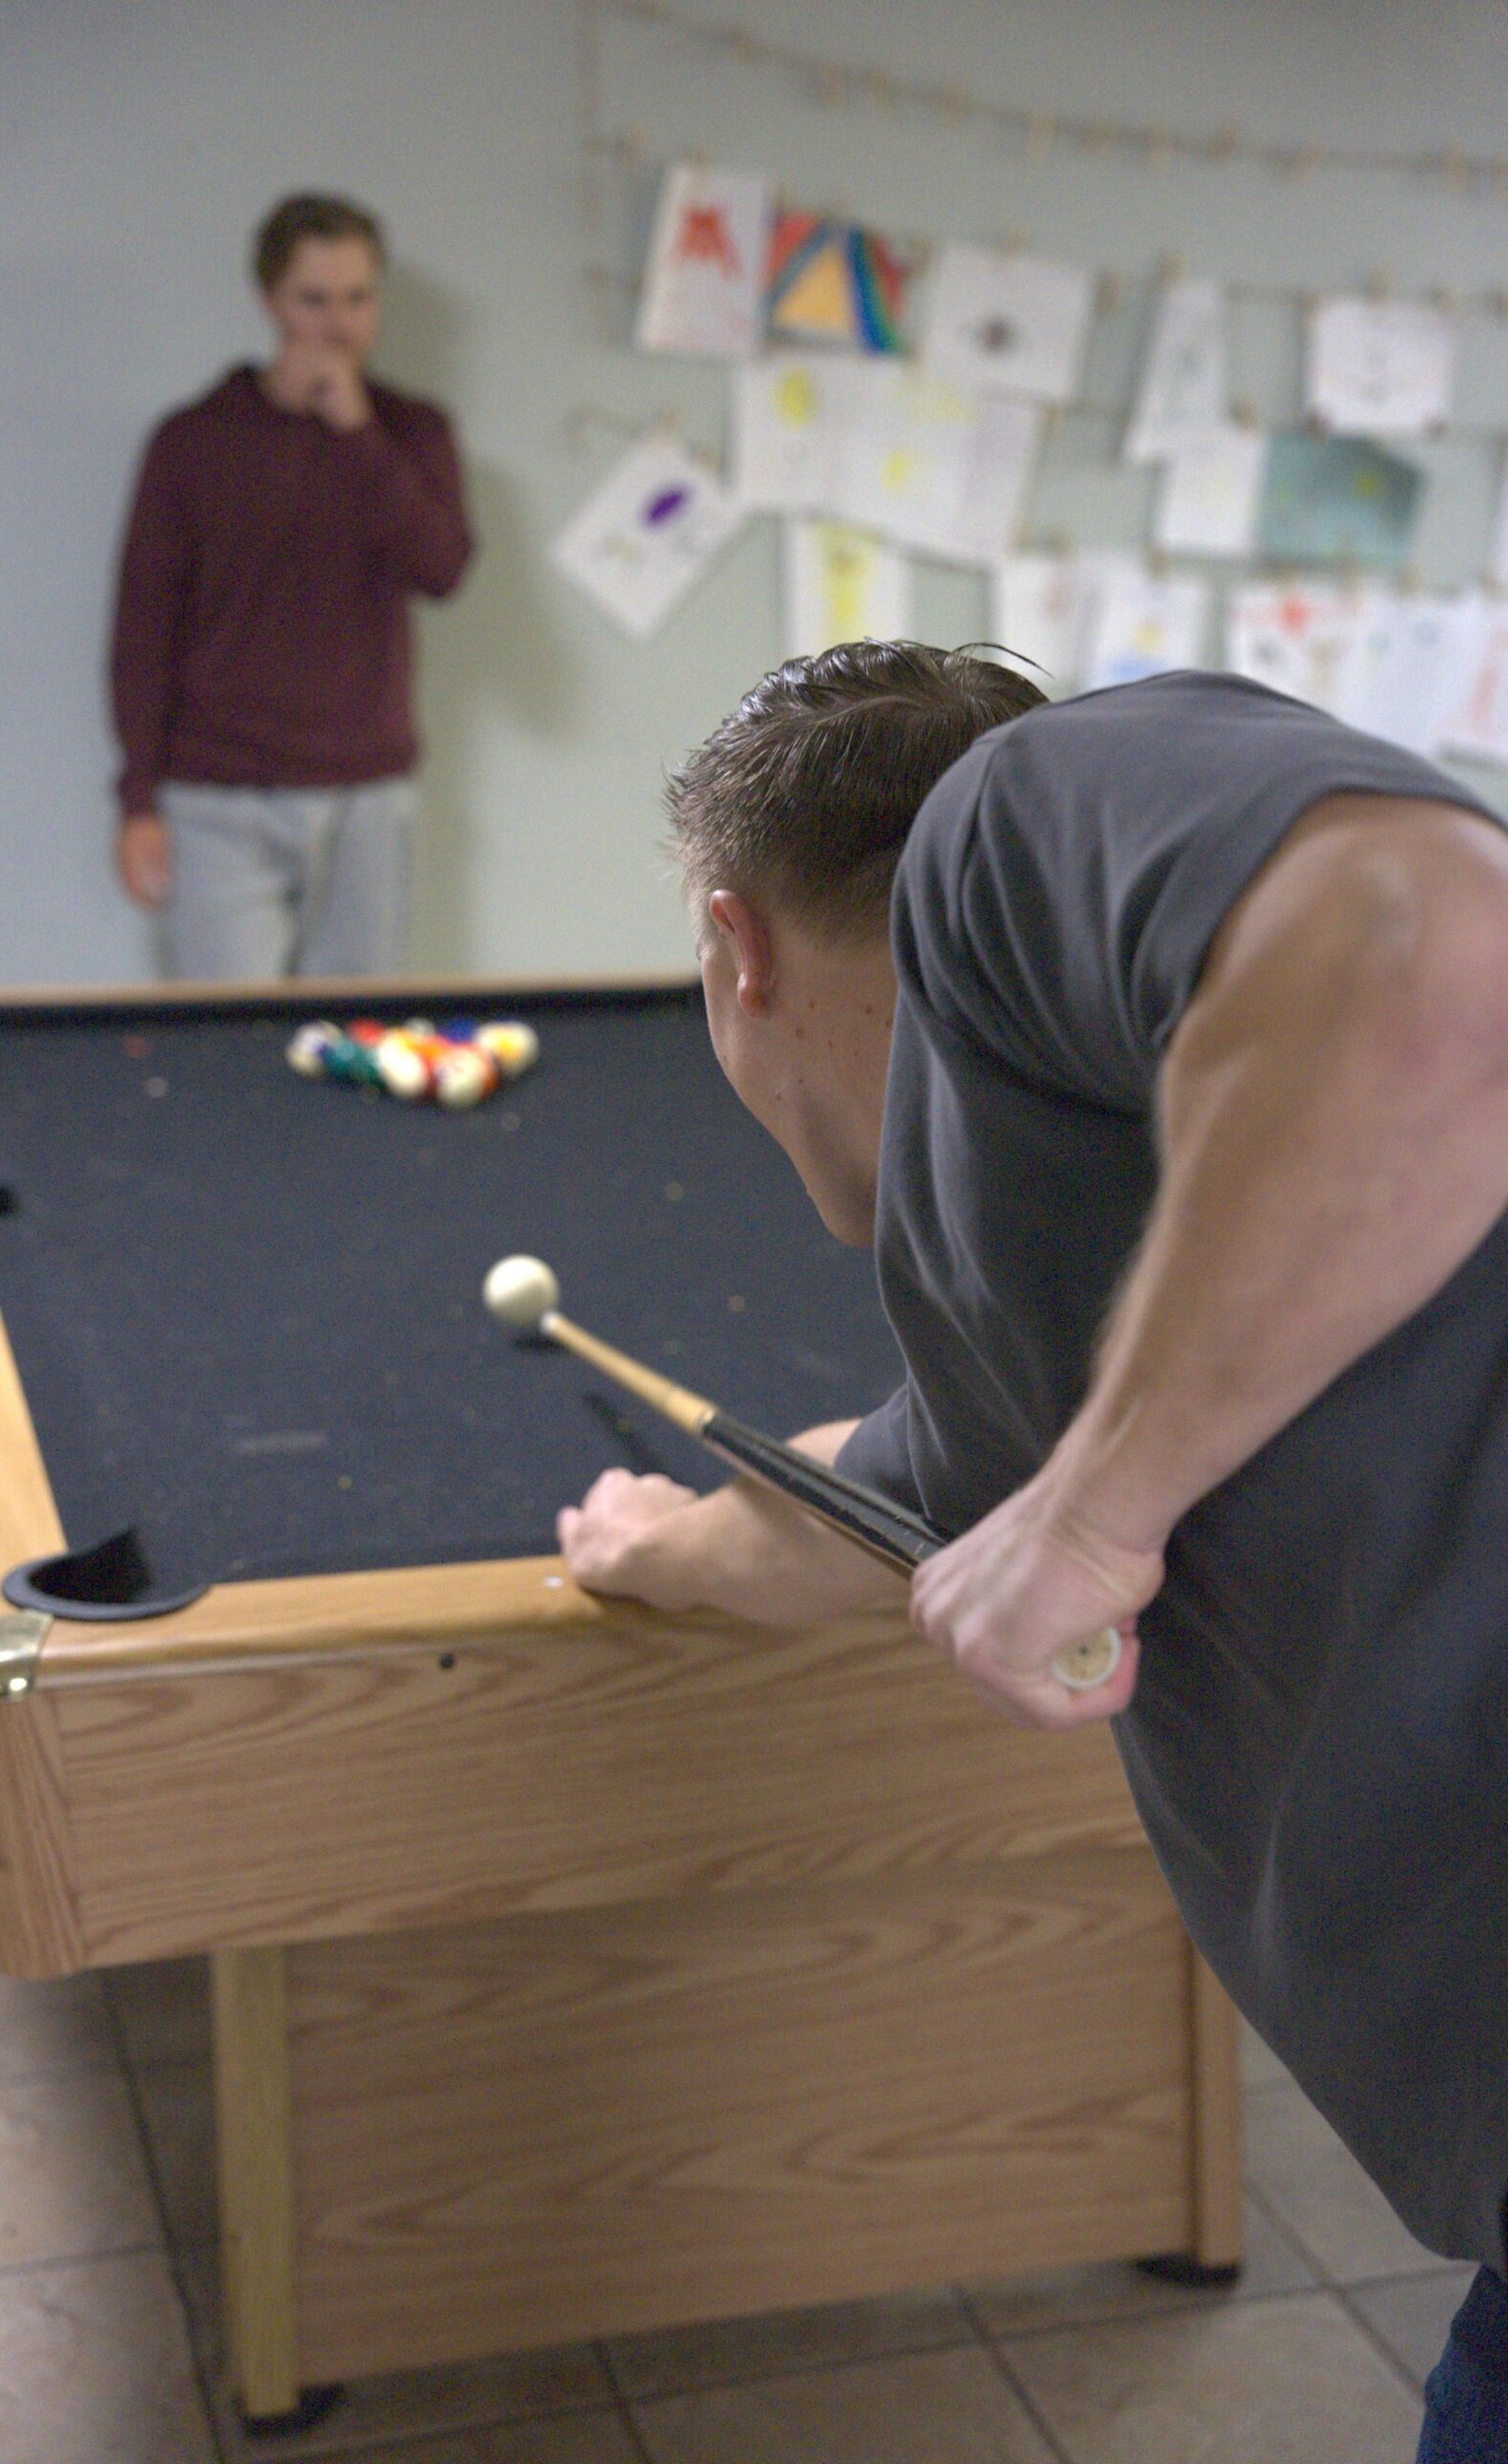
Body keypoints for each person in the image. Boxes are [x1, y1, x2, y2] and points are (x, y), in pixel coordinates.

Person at [557, 642, 1508, 2463]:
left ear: (733, 950)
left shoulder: (1009, 810)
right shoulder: (1082, 1225)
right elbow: (898, 1495)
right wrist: (655, 1549)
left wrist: (1089, 1519)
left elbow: (1442, 958)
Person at [109, 192, 473, 979]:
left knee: (357, 1041)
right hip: (216, 799)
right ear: (269, 301)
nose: (335, 324)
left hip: (367, 796)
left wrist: (356, 433)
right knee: (232, 1050)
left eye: (356, 298)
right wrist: (138, 801)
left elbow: (441, 568)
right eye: (313, 300)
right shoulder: (194, 442)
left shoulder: (410, 432)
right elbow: (140, 632)